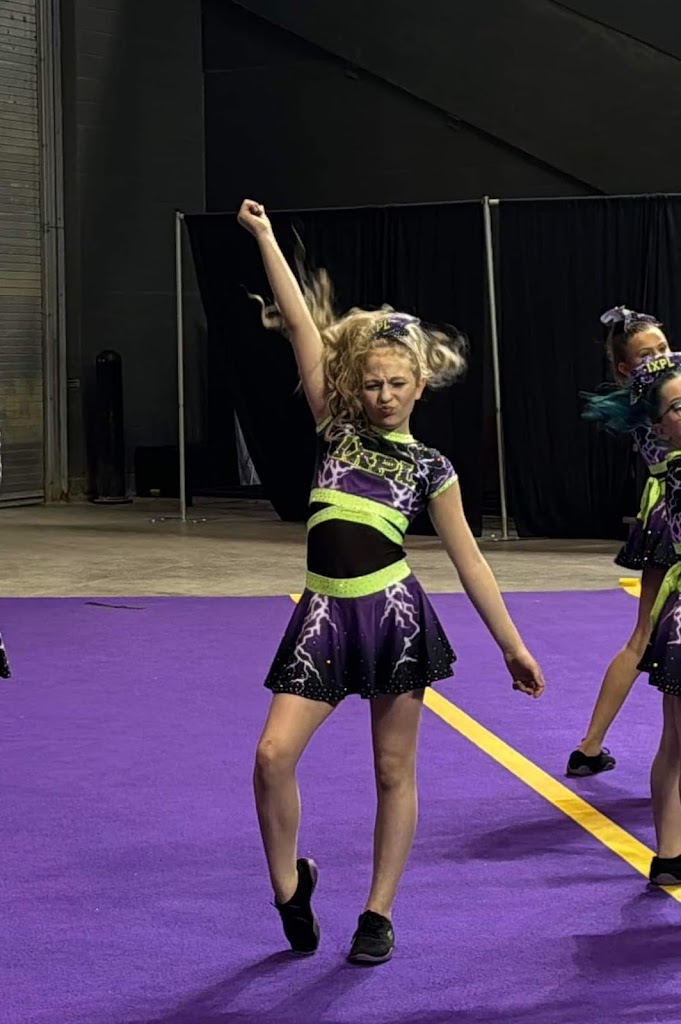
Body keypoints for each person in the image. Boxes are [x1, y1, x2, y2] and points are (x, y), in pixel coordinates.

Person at [238, 199, 545, 965]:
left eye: (395, 383)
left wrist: (510, 645)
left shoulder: (430, 467)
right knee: (272, 756)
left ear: (418, 386)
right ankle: (289, 888)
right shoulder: (334, 428)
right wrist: (266, 237)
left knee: (390, 768)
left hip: (393, 619)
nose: (381, 395)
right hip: (322, 616)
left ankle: (377, 911)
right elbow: (299, 324)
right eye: (371, 382)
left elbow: (470, 559)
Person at [582, 352, 681, 883]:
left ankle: (670, 852)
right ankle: (670, 853)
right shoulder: (674, 476)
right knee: (677, 738)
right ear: (659, 426)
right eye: (678, 408)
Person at [567, 306, 674, 777]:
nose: (660, 358)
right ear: (626, 369)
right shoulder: (648, 397)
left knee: (644, 635)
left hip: (665, 508)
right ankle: (590, 744)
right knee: (644, 635)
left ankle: (589, 747)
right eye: (647, 355)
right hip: (672, 513)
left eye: (664, 348)